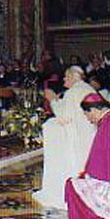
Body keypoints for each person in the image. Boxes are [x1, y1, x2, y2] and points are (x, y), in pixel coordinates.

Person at [32, 66, 96, 210]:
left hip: (77, 137)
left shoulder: (73, 92)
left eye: (66, 76)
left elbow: (63, 116)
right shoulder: (87, 88)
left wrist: (52, 99)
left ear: (74, 77)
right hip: (88, 134)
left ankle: (72, 193)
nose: (64, 79)